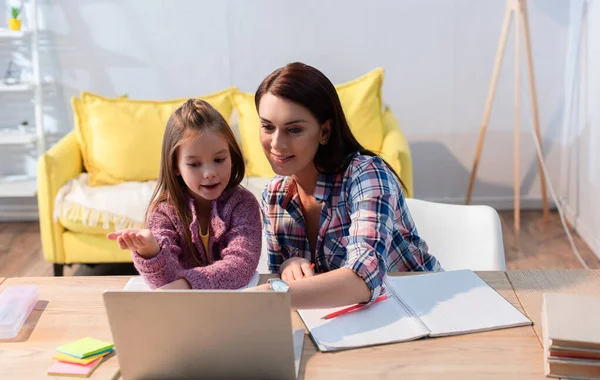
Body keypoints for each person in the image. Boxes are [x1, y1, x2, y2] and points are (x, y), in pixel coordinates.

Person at [250, 62, 442, 308]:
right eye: (267, 127)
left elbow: (363, 279)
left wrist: (263, 296)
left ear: (325, 132)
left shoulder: (367, 175)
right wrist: (288, 267)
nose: (277, 143)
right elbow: (289, 289)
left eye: (294, 129)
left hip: (426, 306)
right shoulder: (274, 196)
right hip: (355, 320)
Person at [107, 99, 262, 290]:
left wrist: (188, 284)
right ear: (175, 166)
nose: (209, 173)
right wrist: (151, 251)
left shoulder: (243, 204)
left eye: (219, 159)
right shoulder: (163, 211)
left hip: (232, 307)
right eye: (195, 164)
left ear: (232, 156)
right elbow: (165, 284)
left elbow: (240, 266)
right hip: (182, 311)